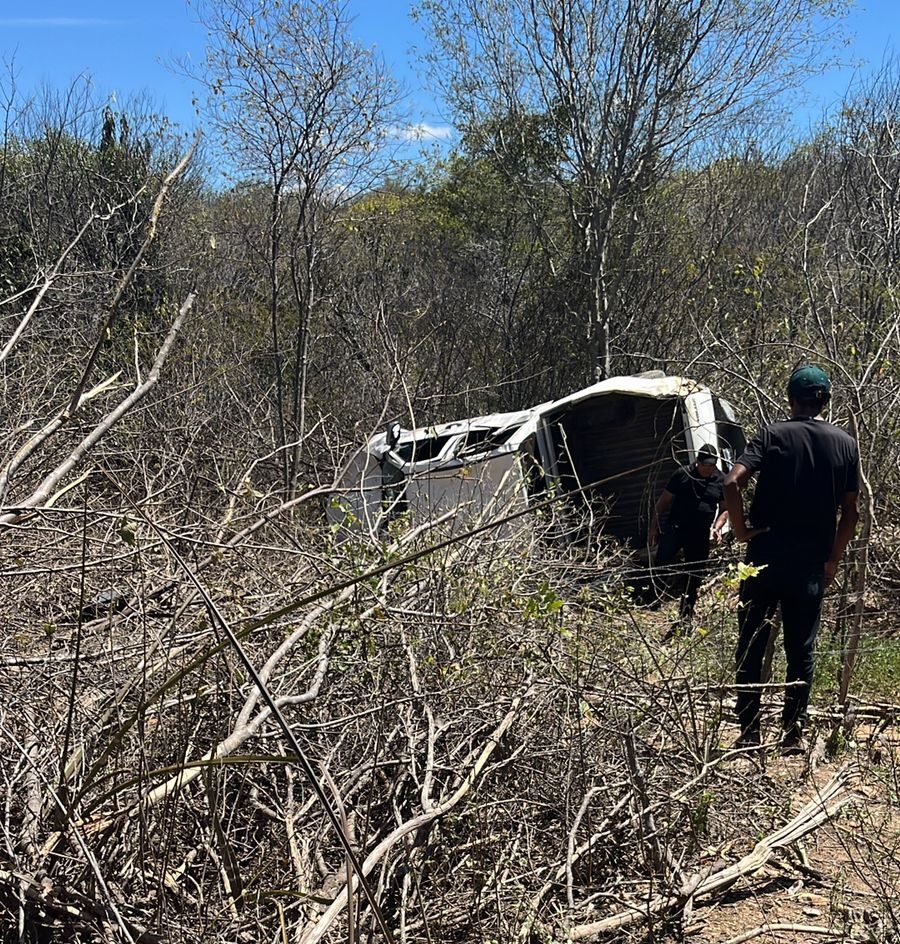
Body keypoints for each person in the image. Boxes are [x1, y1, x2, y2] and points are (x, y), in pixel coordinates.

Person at [724, 365, 859, 753]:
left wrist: (740, 530)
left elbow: (732, 482)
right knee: (801, 649)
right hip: (810, 563)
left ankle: (749, 732)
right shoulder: (845, 444)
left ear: (791, 399)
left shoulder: (771, 434)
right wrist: (833, 559)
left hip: (764, 557)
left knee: (751, 642)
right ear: (825, 402)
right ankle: (792, 734)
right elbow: (850, 513)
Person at [649, 444, 729, 627]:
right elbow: (663, 502)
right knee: (662, 562)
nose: (708, 470)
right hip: (676, 529)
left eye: (711, 466)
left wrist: (716, 528)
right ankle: (654, 601)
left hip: (700, 534)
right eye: (705, 466)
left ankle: (685, 614)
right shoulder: (682, 475)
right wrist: (653, 528)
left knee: (694, 574)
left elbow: (725, 510)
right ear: (697, 462)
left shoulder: (721, 480)